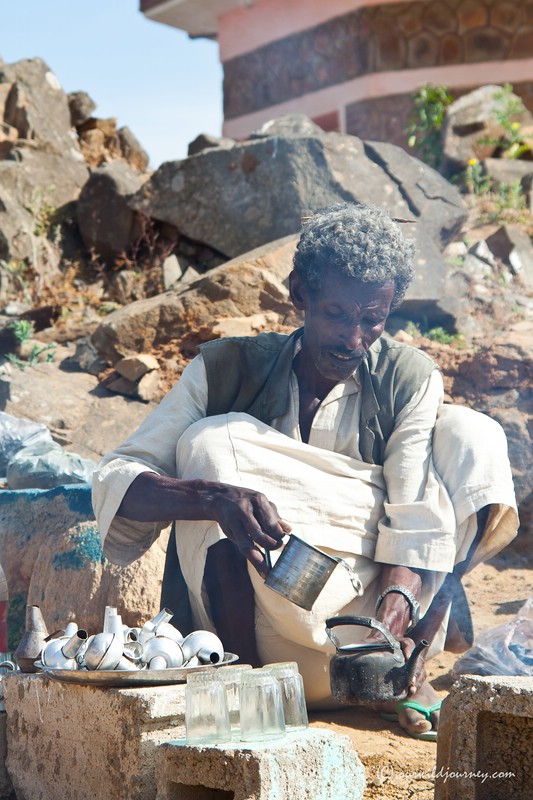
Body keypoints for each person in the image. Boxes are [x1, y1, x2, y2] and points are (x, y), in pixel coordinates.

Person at [93, 202, 518, 740]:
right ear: (300, 295)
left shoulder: (407, 377)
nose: (353, 339)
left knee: (472, 434)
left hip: (366, 640)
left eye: (372, 319)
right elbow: (116, 478)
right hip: (262, 636)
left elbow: (413, 516)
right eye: (337, 314)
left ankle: (412, 671)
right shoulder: (226, 369)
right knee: (211, 441)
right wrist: (212, 497)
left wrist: (386, 638)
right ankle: (253, 691)